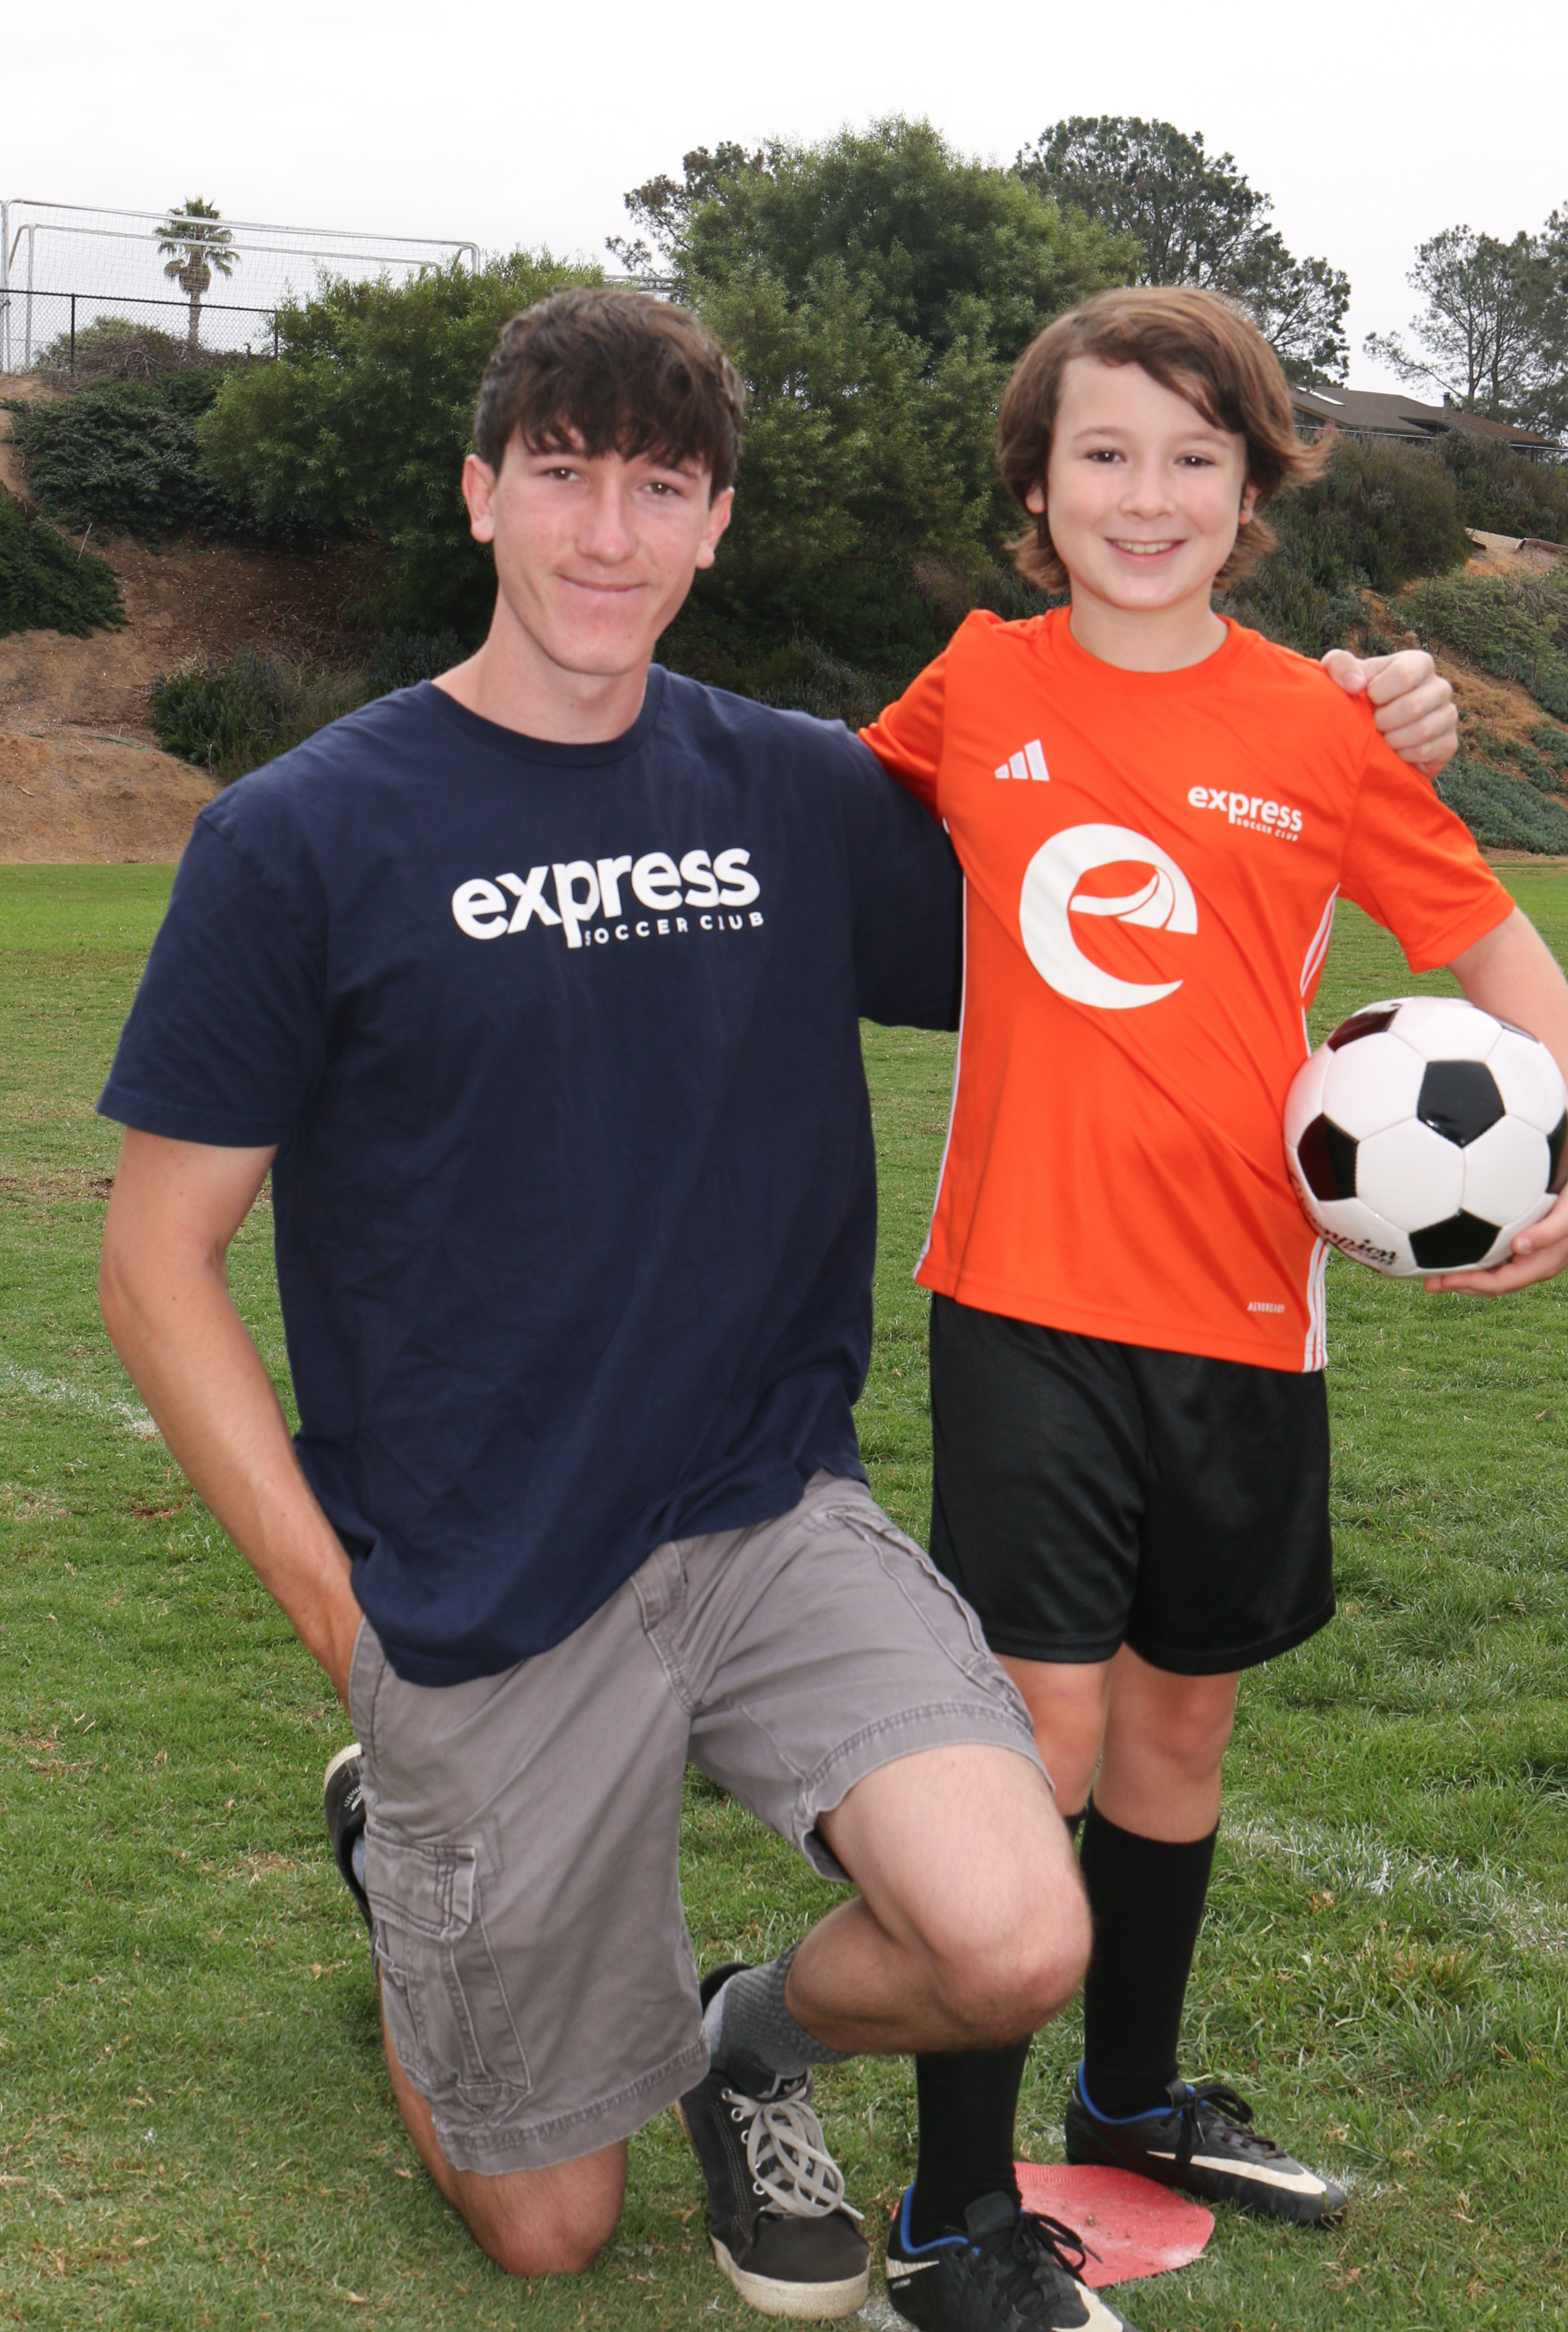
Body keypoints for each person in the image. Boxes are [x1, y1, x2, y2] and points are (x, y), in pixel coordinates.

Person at [95, 284, 1461, 2332]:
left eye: (662, 487)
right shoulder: (301, 835)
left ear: (717, 523)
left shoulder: (797, 792)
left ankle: (746, 2032)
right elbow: (151, 1261)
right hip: (482, 1585)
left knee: (1014, 1935)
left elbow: (1118, 870)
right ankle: (417, 1875)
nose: (609, 533)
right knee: (551, 2221)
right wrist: (343, 1624)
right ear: (481, 493)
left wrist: (1333, 719)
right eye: (563, 475)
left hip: (763, 1519)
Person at [857, 286, 1568, 2331]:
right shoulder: (974, 682)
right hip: (1019, 1298)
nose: (1147, 494)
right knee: (1036, 1732)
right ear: (1036, 485)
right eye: (1103, 452)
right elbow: (809, 831)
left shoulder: (1321, 726)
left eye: (1193, 456)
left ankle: (1125, 2101)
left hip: (1243, 1312)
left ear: (1249, 489)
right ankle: (949, 2213)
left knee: (1179, 1720)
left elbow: (1483, 930)